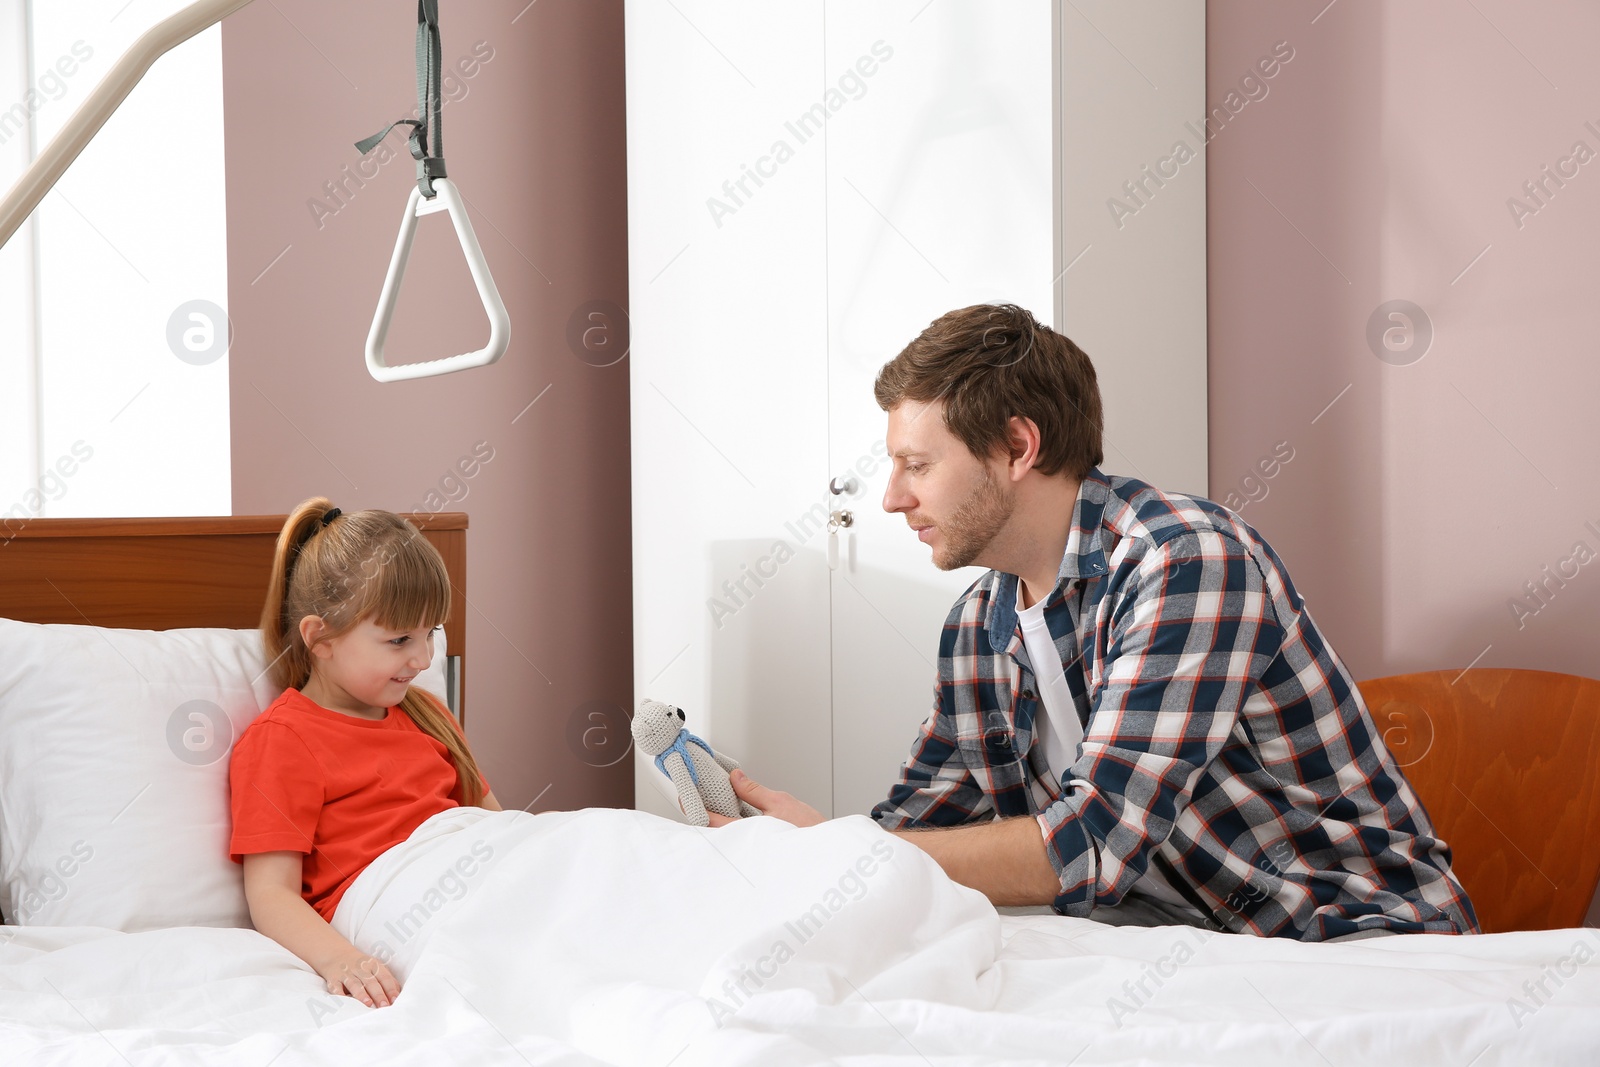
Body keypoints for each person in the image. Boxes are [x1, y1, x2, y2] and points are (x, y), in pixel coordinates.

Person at [717, 303, 1479, 942]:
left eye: (917, 465)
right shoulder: (977, 626)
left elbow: (1096, 841)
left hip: (1350, 938)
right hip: (1176, 952)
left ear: (1018, 446)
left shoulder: (1185, 562)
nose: (890, 498)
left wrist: (842, 851)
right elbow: (916, 831)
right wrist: (810, 851)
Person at [229, 498, 502, 1008]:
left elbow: (502, 830)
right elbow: (271, 893)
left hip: (468, 871)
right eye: (399, 639)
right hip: (391, 898)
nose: (423, 659)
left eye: (431, 633)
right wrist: (340, 960)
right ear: (321, 638)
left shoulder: (427, 713)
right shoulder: (284, 739)